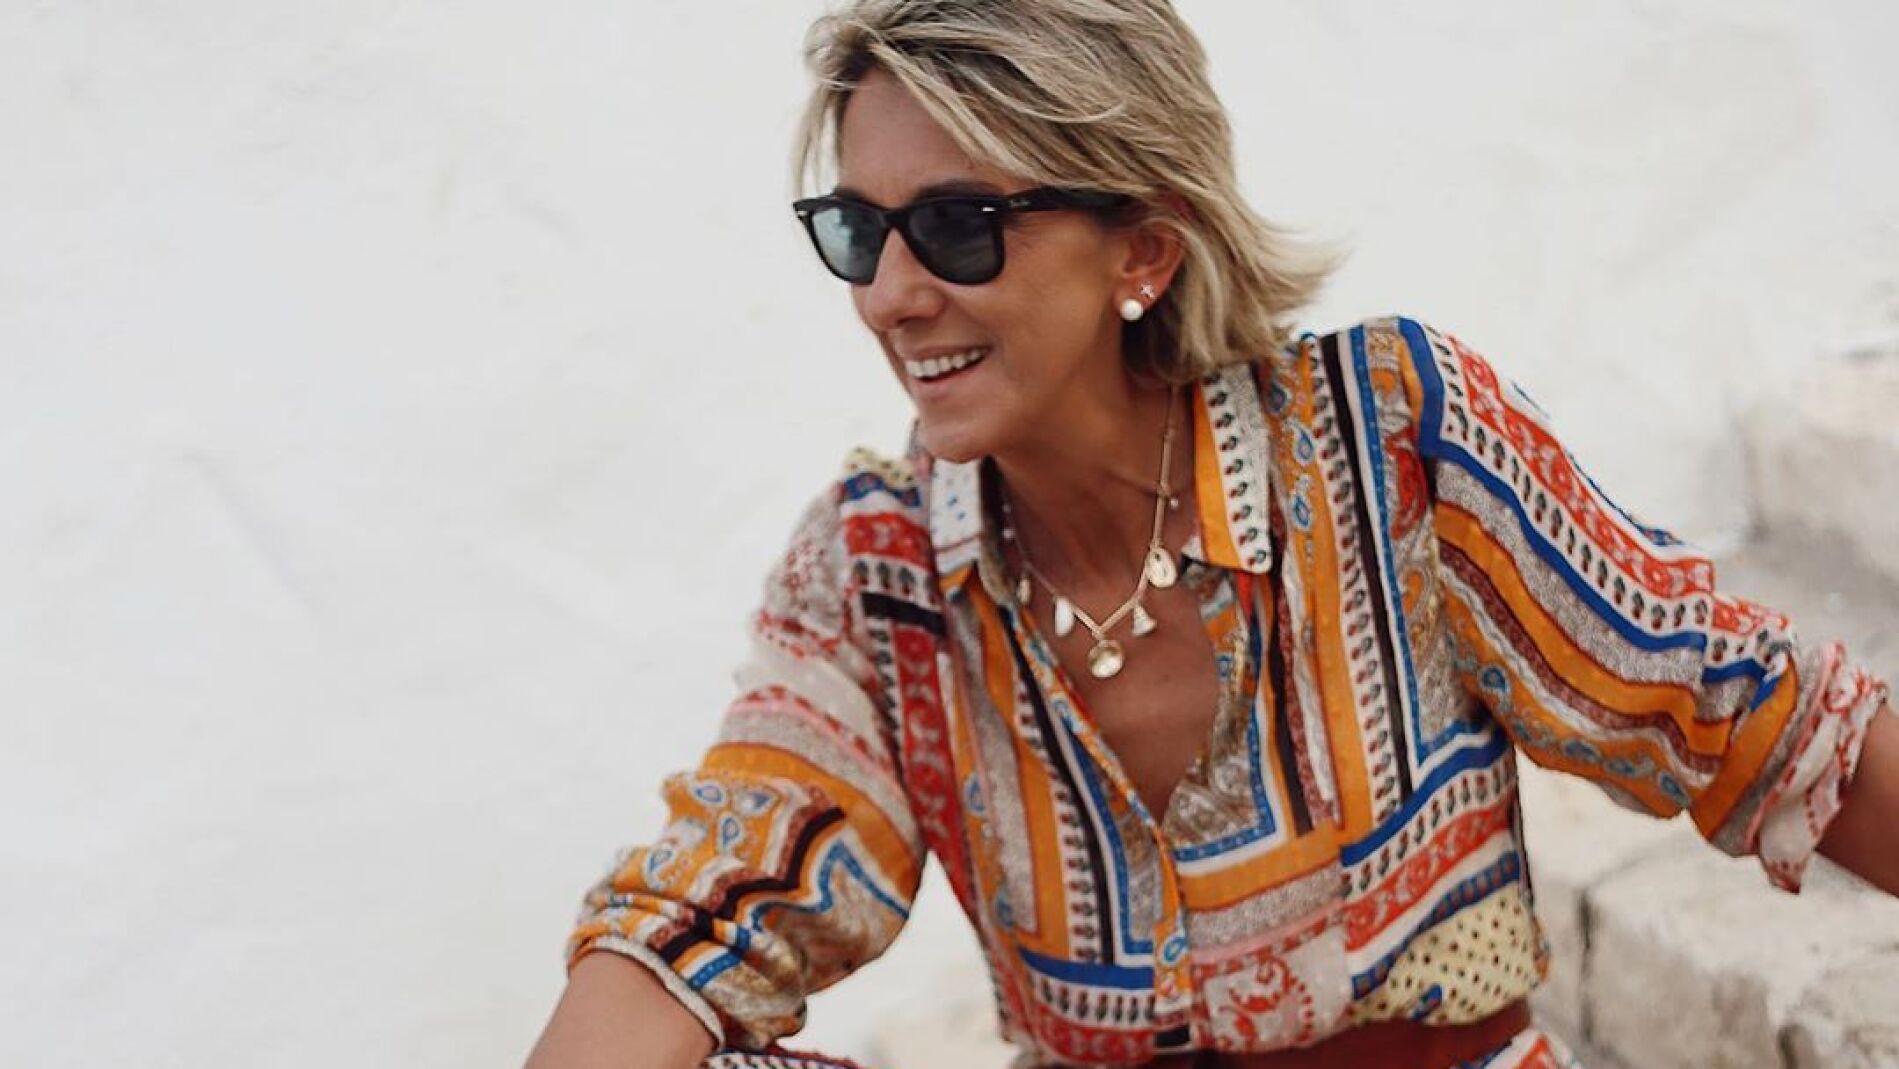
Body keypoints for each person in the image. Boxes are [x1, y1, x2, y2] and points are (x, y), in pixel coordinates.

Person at [525, 3, 1899, 1067]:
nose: (889, 295)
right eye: (854, 230)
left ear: (1145, 249)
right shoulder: (876, 575)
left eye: (954, 226)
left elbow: (1750, 714)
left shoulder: (1389, 446)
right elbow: (696, 911)